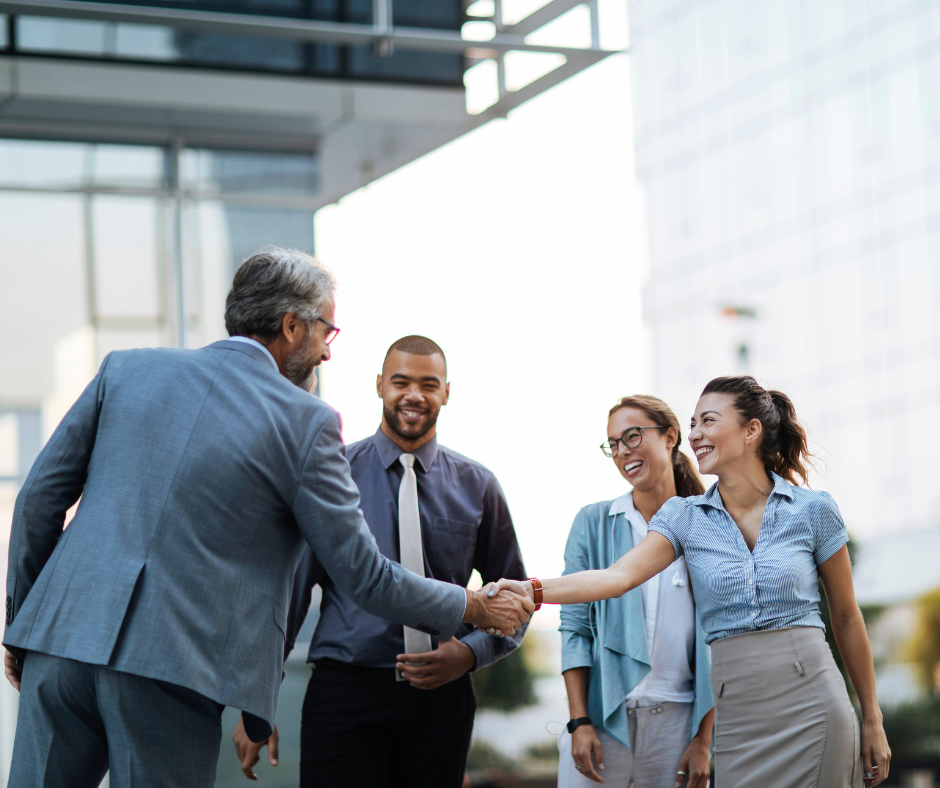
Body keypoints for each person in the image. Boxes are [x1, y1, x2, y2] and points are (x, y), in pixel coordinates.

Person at [2, 248, 531, 788]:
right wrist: (471, 605)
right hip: (170, 666)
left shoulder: (127, 369)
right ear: (292, 326)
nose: (327, 352)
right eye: (328, 331)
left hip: (58, 644)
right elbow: (362, 574)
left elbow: (38, 499)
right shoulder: (306, 423)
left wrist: (19, 627)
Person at [491, 376, 891, 788]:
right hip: (739, 716)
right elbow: (616, 578)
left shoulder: (814, 509)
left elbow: (845, 616)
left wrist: (873, 719)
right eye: (693, 423)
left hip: (814, 702)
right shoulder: (683, 517)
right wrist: (530, 590)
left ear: (751, 430)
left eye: (708, 422)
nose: (695, 434)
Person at [232, 335, 529, 787]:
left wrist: (468, 654)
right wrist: (257, 699)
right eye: (401, 381)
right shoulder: (332, 476)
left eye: (429, 384)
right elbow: (287, 596)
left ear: (446, 392)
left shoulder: (479, 485)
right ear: (379, 386)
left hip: (442, 699)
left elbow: (517, 603)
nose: (414, 395)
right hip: (346, 693)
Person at [558, 396, 713, 788]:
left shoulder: (710, 525)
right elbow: (574, 627)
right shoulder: (593, 522)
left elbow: (720, 636)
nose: (622, 451)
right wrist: (579, 722)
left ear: (670, 436)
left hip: (679, 724)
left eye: (632, 436)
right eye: (613, 444)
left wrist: (704, 740)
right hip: (600, 720)